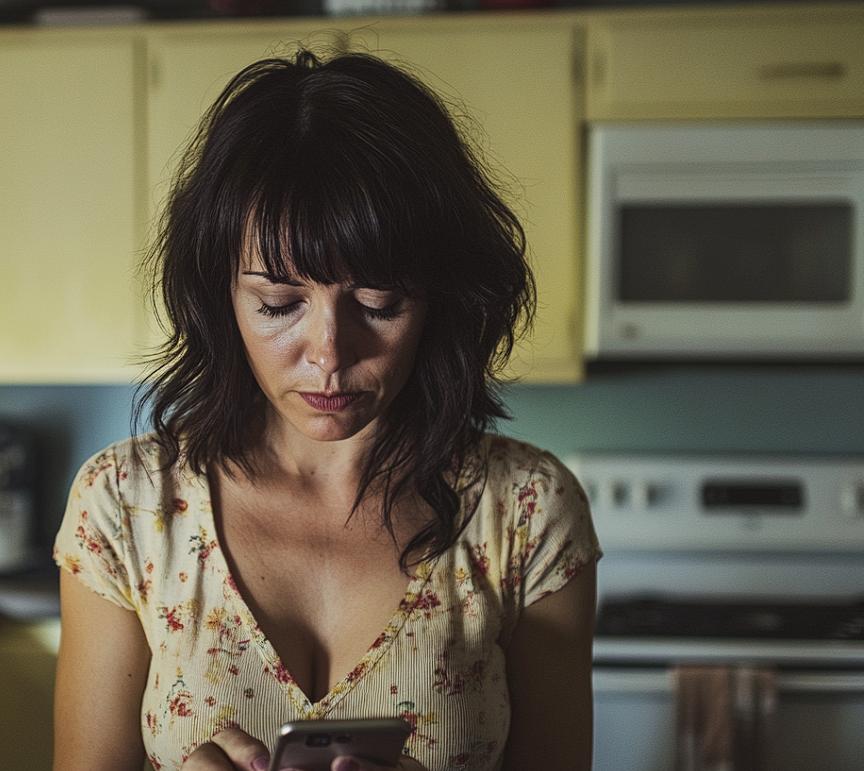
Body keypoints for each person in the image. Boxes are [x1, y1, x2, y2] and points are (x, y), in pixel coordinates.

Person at [52, 48, 600, 771]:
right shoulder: (124, 509)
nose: (329, 353)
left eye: (379, 303)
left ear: (442, 297)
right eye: (279, 305)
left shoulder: (526, 514)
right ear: (221, 294)